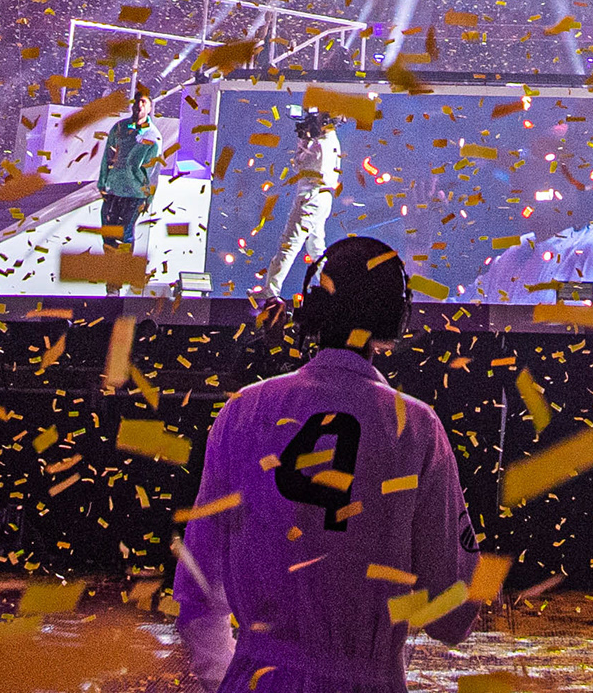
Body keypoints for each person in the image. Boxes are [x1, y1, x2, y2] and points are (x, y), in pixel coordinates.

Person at [173, 236, 483, 692]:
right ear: (396, 317)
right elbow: (453, 613)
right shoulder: (416, 426)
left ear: (312, 308)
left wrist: (235, 678)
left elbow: (197, 594)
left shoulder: (242, 411)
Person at [261, 110, 343, 301]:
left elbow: (300, 164)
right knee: (316, 248)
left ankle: (271, 291)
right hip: (321, 198)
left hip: (311, 198)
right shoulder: (331, 140)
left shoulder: (321, 143)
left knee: (290, 243)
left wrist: (304, 140)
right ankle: (332, 290)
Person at [94, 103, 162, 255]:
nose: (139, 105)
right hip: (114, 188)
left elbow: (153, 170)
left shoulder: (153, 135)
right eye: (137, 101)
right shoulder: (120, 128)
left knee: (125, 233)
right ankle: (111, 265)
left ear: (150, 108)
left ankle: (123, 266)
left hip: (135, 193)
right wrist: (102, 182)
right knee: (108, 231)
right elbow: (108, 156)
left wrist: (149, 197)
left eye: (144, 102)